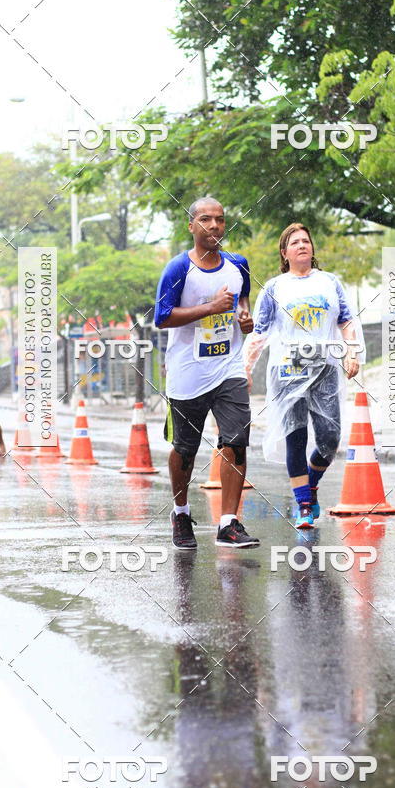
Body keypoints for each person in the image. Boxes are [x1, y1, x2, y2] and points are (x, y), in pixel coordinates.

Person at [154, 197, 260, 550]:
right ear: (191, 226)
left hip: (228, 367)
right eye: (205, 219)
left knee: (237, 440)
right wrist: (210, 308)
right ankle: (181, 513)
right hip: (188, 372)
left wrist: (244, 317)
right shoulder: (178, 268)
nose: (214, 225)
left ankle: (228, 523)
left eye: (220, 219)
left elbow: (242, 299)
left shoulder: (238, 264)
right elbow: (162, 317)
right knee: (185, 449)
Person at [243, 223, 363, 529]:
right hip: (288, 371)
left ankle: (311, 484)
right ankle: (304, 505)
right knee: (295, 437)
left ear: (312, 248)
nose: (301, 245)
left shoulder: (329, 282)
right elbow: (259, 333)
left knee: (329, 439)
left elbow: (346, 321)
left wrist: (352, 352)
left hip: (325, 369)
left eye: (305, 241)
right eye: (294, 242)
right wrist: (245, 369)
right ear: (284, 253)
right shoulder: (274, 288)